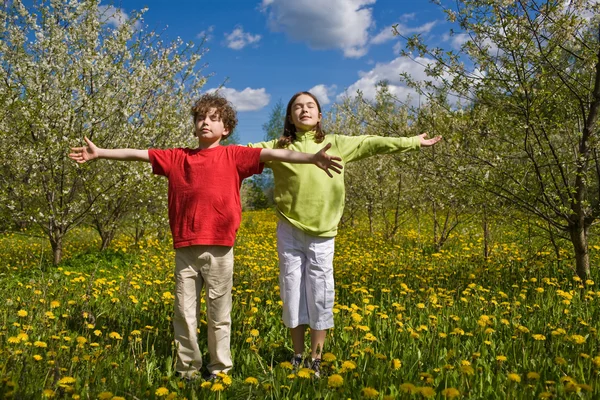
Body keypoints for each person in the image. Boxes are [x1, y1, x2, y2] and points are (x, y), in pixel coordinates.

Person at [68, 93, 343, 381]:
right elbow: (139, 153)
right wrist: (100, 152)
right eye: (201, 118)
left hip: (221, 250)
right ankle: (187, 370)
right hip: (185, 249)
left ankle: (220, 370)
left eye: (214, 118)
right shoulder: (177, 157)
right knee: (184, 315)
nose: (205, 123)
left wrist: (311, 158)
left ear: (226, 128)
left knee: (219, 315)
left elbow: (274, 154)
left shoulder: (234, 155)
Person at [249, 91, 441, 378]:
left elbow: (373, 143)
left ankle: (316, 359)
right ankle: (297, 355)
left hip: (324, 233)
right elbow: (240, 153)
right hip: (289, 229)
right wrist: (207, 148)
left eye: (310, 106)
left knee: (320, 294)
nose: (304, 110)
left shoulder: (336, 143)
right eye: (297, 107)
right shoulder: (277, 147)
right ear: (289, 117)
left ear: (320, 114)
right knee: (292, 293)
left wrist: (412, 142)